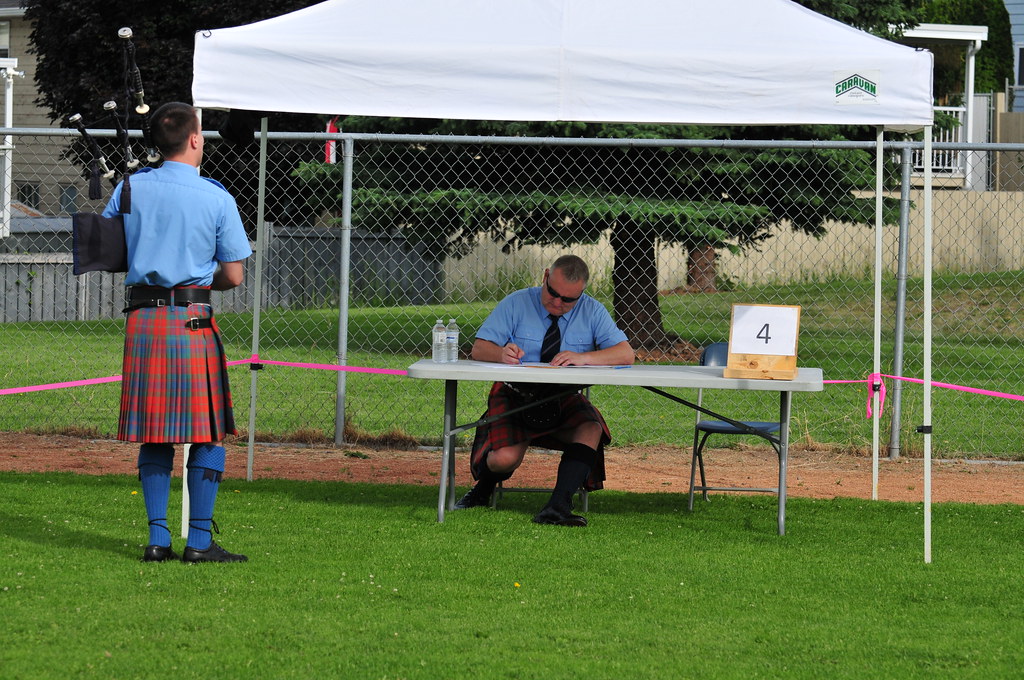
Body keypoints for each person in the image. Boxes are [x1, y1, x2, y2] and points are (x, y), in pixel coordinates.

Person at [102, 102, 253, 563]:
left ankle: (157, 539)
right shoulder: (216, 197)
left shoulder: (129, 188)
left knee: (155, 432)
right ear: (193, 139)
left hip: (143, 320)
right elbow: (234, 275)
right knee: (206, 434)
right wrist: (200, 275)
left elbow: (107, 250)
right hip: (191, 321)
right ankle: (200, 543)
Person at [456, 254, 634, 526]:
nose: (558, 302)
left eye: (568, 299)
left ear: (581, 293)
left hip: (562, 396)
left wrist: (583, 357)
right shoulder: (516, 302)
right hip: (516, 394)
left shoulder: (592, 310)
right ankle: (483, 489)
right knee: (503, 460)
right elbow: (479, 348)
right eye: (553, 293)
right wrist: (501, 353)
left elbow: (625, 354)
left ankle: (558, 507)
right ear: (545, 277)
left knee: (591, 427)